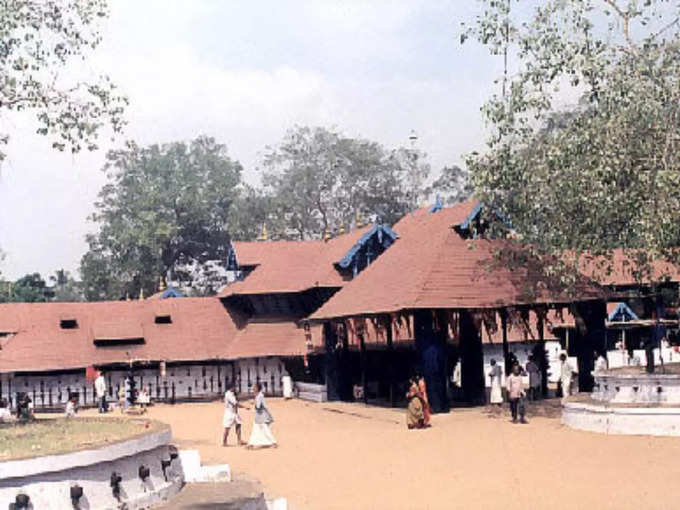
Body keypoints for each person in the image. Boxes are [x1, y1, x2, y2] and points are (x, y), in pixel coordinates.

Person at [247, 383, 277, 448]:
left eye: (254, 387)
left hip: (262, 415)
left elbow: (258, 406)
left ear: (257, 388)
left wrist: (253, 402)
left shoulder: (260, 396)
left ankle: (273, 442)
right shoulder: (258, 395)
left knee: (265, 428)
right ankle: (251, 443)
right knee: (256, 428)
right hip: (259, 415)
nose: (253, 388)